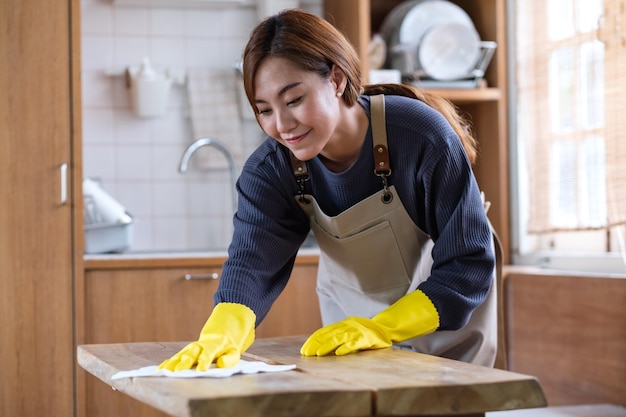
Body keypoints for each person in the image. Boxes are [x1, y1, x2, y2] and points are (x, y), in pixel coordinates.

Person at [158, 8, 497, 372]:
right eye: (264, 110)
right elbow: (253, 261)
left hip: (446, 314)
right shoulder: (271, 169)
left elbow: (468, 261)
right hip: (353, 321)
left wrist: (383, 327)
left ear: (336, 80)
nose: (282, 125)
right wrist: (221, 333)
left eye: (293, 101)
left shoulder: (420, 135)